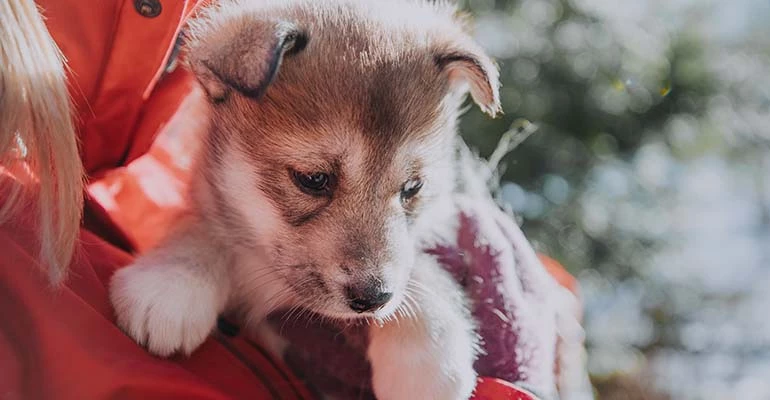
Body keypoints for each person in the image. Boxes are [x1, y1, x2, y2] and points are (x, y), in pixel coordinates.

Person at [0, 0, 589, 399]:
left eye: (407, 189)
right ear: (218, 89)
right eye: (314, 180)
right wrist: (194, 257)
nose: (376, 270)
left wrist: (433, 325)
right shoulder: (50, 199)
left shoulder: (120, 162)